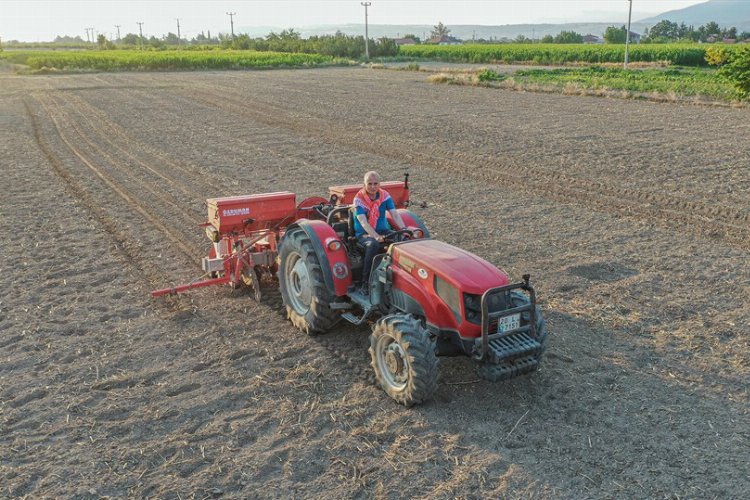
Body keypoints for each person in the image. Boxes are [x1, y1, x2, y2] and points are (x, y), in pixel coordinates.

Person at [353, 171, 407, 293]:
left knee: (402, 240)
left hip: (383, 230)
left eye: (375, 183)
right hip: (364, 234)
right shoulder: (358, 200)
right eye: (369, 183)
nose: (372, 187)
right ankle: (365, 283)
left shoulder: (385, 196)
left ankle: (399, 277)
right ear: (364, 184)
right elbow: (363, 222)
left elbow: (394, 214)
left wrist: (404, 230)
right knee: (373, 245)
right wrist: (375, 236)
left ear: (379, 184)